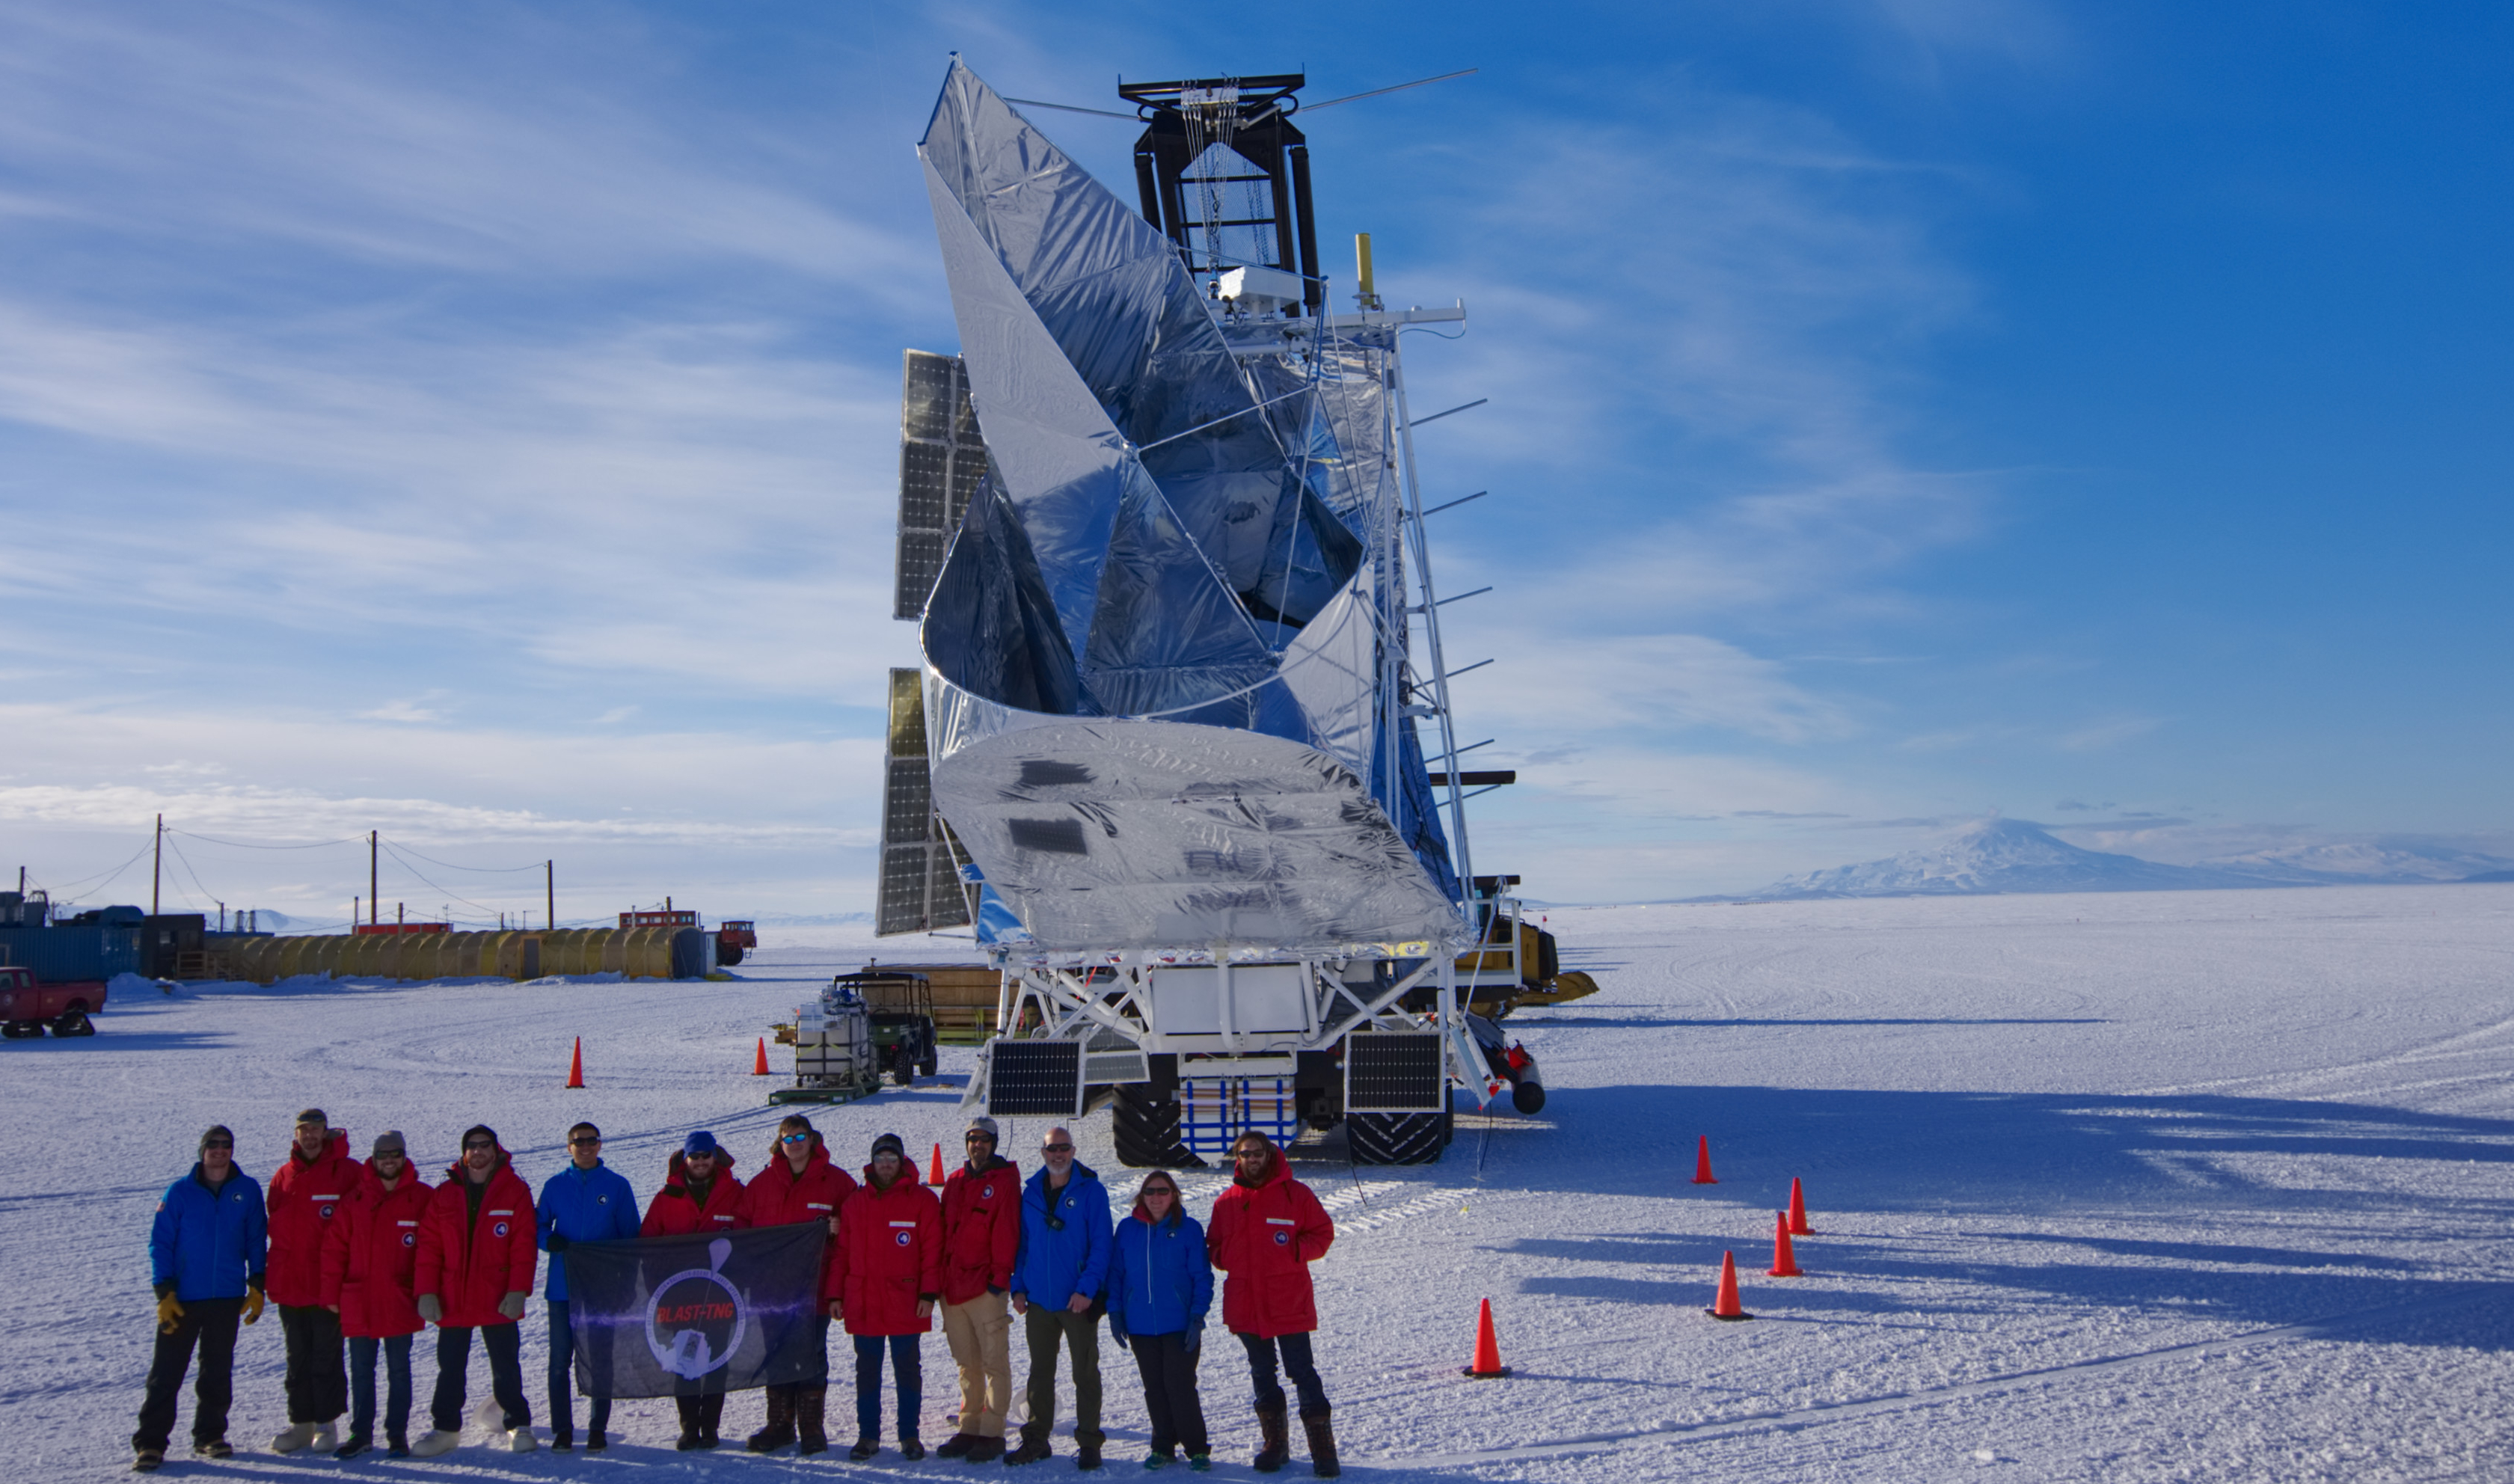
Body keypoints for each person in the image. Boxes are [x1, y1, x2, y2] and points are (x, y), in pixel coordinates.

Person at [134, 1126, 266, 1473]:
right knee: (166, 1373)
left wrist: (257, 1284)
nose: (220, 1151)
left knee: (217, 1370)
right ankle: (150, 1443)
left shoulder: (247, 1190)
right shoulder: (180, 1192)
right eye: (214, 1145)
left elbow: (256, 1238)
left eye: (226, 1145)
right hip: (183, 1298)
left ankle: (210, 1435)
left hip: (226, 1295)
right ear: (202, 1150)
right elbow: (160, 1242)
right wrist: (164, 1291)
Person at [1207, 1132, 1337, 1477]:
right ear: (1238, 1158)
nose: (1252, 1159)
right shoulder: (1226, 1202)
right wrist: (1226, 1256)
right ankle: (1274, 1444)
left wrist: (1296, 1251)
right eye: (1245, 1154)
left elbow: (1322, 1233)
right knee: (1262, 1373)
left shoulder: (1296, 1195)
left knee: (1302, 1371)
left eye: (1257, 1153)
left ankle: (1323, 1448)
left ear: (1269, 1154)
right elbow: (1214, 1246)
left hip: (1287, 1300)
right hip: (1246, 1303)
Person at [411, 1124, 539, 1457]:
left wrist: (518, 1290)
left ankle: (517, 1424)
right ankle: (445, 1429)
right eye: (472, 1146)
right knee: (450, 1367)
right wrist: (426, 1292)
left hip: (497, 1297)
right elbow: (429, 1247)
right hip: (454, 1296)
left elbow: (523, 1246)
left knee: (506, 1365)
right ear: (464, 1153)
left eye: (485, 1145)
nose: (479, 1152)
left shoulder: (514, 1191)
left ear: (495, 1151)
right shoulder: (445, 1193)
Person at [738, 1114, 858, 1456]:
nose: (795, 1144)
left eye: (801, 1136)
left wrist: (838, 1230)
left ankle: (811, 1427)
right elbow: (742, 1229)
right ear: (780, 1143)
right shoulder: (762, 1184)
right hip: (772, 1290)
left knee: (812, 1355)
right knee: (775, 1353)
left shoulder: (835, 1182)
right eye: (788, 1138)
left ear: (812, 1139)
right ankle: (779, 1425)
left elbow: (851, 1235)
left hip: (813, 1288)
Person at [1006, 1124, 1113, 1469]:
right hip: (1038, 1299)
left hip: (1076, 1300)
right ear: (1043, 1152)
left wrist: (1086, 1289)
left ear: (1074, 1151)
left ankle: (1089, 1442)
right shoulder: (1032, 1192)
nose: (1059, 1154)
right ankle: (1037, 1438)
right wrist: (1019, 1287)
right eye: (1053, 1149)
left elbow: (1102, 1245)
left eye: (1064, 1148)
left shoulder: (1091, 1191)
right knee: (1040, 1372)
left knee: (1084, 1372)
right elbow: (1023, 1245)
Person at [318, 1132, 430, 1459]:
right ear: (375, 1159)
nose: (389, 1160)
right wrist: (331, 1293)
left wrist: (425, 1292)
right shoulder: (355, 1199)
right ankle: (360, 1433)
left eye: (395, 1154)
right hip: (359, 1298)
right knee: (361, 1370)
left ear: (404, 1156)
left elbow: (431, 1250)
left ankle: (397, 1434)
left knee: (399, 1370)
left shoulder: (421, 1197)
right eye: (383, 1155)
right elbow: (334, 1249)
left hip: (399, 1298)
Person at [830, 1131, 940, 1462]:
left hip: (906, 1299)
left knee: (907, 1369)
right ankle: (868, 1436)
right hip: (863, 1301)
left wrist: (928, 1293)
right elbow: (841, 1253)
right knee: (867, 1370)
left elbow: (932, 1250)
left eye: (892, 1159)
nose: (886, 1165)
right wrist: (835, 1294)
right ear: (872, 1162)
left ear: (902, 1161)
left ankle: (909, 1435)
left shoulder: (922, 1200)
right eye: (881, 1159)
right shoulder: (855, 1202)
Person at [641, 1129, 749, 1450]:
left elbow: (749, 1240)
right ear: (685, 1159)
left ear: (715, 1157)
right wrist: (658, 1292)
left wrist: (738, 1286)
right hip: (679, 1297)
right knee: (684, 1359)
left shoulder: (735, 1193)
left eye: (706, 1156)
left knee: (716, 1360)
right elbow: (648, 1245)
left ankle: (710, 1427)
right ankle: (689, 1427)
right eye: (695, 1156)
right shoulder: (666, 1198)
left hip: (721, 1296)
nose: (701, 1162)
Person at [536, 1121, 640, 1451]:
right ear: (569, 1147)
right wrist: (546, 1239)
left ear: (600, 1145)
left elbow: (630, 1237)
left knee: (600, 1359)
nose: (585, 1147)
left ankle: (598, 1428)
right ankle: (563, 1430)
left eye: (591, 1141)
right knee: (559, 1361)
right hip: (563, 1288)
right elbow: (537, 1225)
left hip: (601, 1288)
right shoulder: (555, 1186)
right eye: (578, 1142)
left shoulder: (617, 1186)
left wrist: (625, 1285)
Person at [1106, 1171, 1214, 1471]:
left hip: (1180, 1323)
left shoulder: (1189, 1229)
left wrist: (1197, 1315)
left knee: (1180, 1385)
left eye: (1163, 1191)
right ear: (1141, 1196)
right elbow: (1115, 1274)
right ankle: (1163, 1446)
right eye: (1150, 1192)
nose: (1156, 1197)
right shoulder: (1127, 1229)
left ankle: (1197, 1448)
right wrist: (1115, 1312)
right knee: (1154, 1387)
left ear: (1174, 1195)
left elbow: (1202, 1276)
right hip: (1140, 1324)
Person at [266, 1109, 355, 1455]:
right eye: (304, 1130)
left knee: (325, 1356)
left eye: (316, 1130)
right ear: (297, 1134)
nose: (310, 1136)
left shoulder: (346, 1172)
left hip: (327, 1285)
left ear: (325, 1132)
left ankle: (326, 1423)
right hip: (290, 1284)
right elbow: (274, 1226)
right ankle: (300, 1422)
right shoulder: (284, 1175)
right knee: (297, 1356)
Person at [935, 1114, 1020, 1462]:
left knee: (993, 1362)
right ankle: (969, 1425)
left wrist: (998, 1281)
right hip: (953, 1289)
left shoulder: (1003, 1180)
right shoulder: (955, 1181)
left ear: (994, 1144)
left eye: (984, 1140)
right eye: (973, 1139)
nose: (978, 1145)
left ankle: (992, 1430)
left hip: (985, 1288)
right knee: (966, 1363)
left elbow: (1006, 1232)